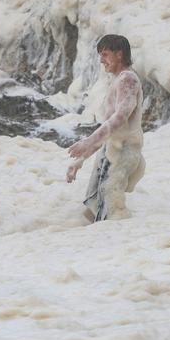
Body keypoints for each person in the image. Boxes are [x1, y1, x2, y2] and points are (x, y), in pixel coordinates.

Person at [66, 34, 145, 221]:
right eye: (100, 55)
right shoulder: (119, 79)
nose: (101, 60)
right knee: (94, 210)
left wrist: (88, 141)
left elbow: (120, 118)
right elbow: (110, 131)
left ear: (119, 54)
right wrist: (82, 159)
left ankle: (122, 246)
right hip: (111, 152)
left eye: (105, 54)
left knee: (111, 211)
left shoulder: (128, 79)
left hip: (124, 153)